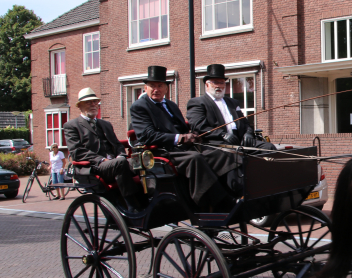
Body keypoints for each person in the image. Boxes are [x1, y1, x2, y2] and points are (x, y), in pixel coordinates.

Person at [129, 65, 236, 208]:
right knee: (195, 159)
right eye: (152, 86)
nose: (156, 89)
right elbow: (147, 135)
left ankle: (233, 191)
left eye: (160, 85)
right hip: (162, 152)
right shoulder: (140, 107)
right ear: (145, 88)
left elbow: (182, 127)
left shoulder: (171, 105)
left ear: (166, 88)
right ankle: (210, 202)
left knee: (220, 153)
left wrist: (193, 135)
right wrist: (179, 138)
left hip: (182, 148)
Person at [63, 88, 142, 213]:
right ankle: (131, 205)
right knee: (119, 164)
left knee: (141, 162)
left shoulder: (106, 124)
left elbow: (117, 144)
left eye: (95, 102)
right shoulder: (72, 126)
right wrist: (101, 159)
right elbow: (77, 151)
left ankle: (147, 200)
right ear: (80, 106)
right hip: (95, 166)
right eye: (89, 102)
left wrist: (121, 155)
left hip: (114, 163)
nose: (93, 105)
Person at [186, 64, 276, 151]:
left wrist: (248, 133)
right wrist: (222, 135)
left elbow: (245, 122)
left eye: (221, 82)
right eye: (215, 82)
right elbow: (199, 126)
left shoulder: (233, 102)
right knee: (235, 154)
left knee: (269, 148)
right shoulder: (197, 102)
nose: (219, 86)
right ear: (207, 84)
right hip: (216, 142)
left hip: (239, 140)